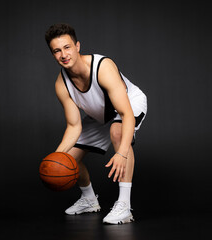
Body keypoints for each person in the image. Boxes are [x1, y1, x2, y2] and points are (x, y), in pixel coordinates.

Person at [45, 23, 147, 224]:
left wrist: (122, 153)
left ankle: (125, 206)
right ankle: (89, 199)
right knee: (68, 159)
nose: (63, 54)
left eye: (67, 47)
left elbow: (126, 114)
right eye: (57, 51)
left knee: (117, 133)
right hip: (100, 114)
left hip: (128, 104)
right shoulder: (61, 84)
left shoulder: (103, 67)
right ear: (53, 55)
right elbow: (74, 126)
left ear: (77, 46)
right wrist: (55, 158)